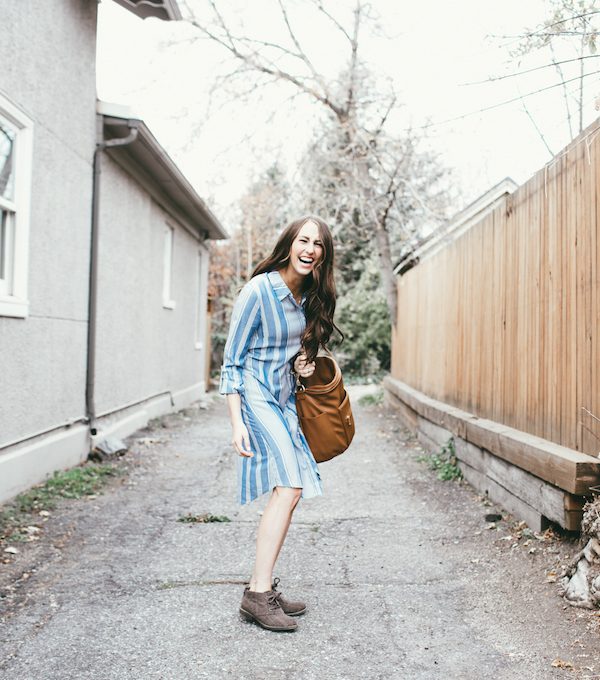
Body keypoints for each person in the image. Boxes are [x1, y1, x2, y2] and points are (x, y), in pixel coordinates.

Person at [219, 215, 341, 632]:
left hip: (285, 396)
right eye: (303, 241)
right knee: (288, 486)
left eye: (318, 244)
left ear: (323, 254)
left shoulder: (309, 295)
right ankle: (256, 594)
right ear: (289, 244)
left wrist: (303, 363)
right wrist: (237, 422)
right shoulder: (258, 291)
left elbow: (295, 351)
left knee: (293, 488)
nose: (310, 249)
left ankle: (264, 586)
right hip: (256, 395)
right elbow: (232, 361)